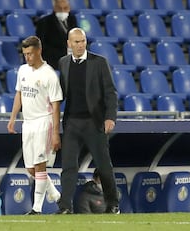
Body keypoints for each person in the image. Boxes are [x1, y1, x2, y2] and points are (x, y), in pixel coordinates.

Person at [57, 28, 120, 214]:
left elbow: (110, 93)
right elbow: (61, 92)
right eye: (76, 42)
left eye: (83, 41)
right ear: (69, 43)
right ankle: (65, 207)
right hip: (72, 123)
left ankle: (113, 203)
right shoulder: (63, 63)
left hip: (94, 122)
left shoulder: (100, 62)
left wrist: (110, 117)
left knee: (103, 165)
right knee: (68, 166)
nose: (80, 45)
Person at [7, 36, 63, 215]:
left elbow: (55, 105)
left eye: (30, 54)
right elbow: (19, 95)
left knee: (40, 165)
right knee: (30, 168)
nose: (27, 58)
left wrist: (55, 132)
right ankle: (55, 193)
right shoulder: (23, 70)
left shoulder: (49, 74)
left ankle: (36, 208)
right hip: (28, 123)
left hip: (43, 122)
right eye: (25, 54)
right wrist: (13, 117)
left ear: (39, 51)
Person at [36, 0, 77, 70]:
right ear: (54, 8)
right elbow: (41, 46)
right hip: (53, 61)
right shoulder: (44, 22)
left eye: (65, 8)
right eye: (59, 8)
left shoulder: (72, 20)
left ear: (69, 8)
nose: (62, 11)